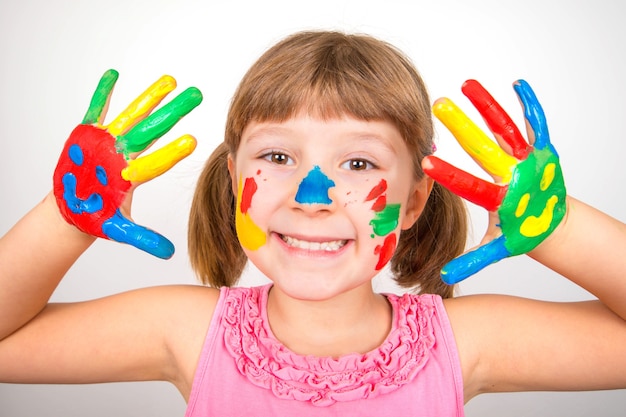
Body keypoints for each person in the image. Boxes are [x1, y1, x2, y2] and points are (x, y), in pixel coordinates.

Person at [1, 30, 625, 416]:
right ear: (232, 182)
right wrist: (65, 221)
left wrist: (561, 227)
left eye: (358, 161)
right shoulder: (187, 331)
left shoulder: (463, 344)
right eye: (277, 156)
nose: (314, 194)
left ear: (413, 202)